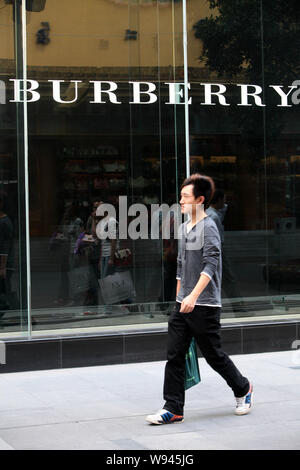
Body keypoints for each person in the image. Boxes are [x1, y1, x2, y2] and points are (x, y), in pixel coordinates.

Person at [146, 174, 253, 425]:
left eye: (185, 197)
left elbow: (211, 263)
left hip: (204, 305)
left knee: (214, 356)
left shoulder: (209, 227)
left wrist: (193, 295)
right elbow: (182, 265)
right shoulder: (184, 228)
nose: (180, 200)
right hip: (183, 304)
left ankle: (243, 388)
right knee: (175, 355)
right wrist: (179, 296)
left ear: (200, 200)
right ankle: (173, 408)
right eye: (180, 196)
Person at [206, 190, 245, 312]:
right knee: (228, 279)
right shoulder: (214, 217)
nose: (225, 203)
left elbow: (224, 209)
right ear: (218, 200)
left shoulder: (209, 213)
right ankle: (238, 306)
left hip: (211, 250)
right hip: (217, 249)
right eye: (223, 200)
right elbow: (215, 237)